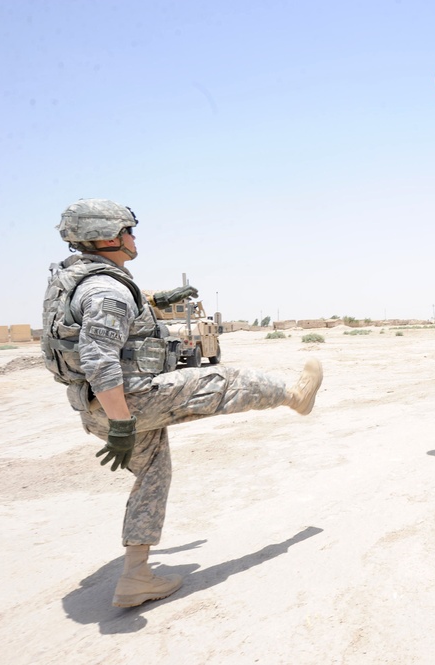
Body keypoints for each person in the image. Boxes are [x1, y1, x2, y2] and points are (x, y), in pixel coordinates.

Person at [41, 199, 324, 608]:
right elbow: (99, 359)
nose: (133, 238)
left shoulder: (76, 279)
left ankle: (135, 576)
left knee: (153, 474)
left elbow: (116, 308)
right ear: (106, 237)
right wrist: (122, 424)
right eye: (127, 231)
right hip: (129, 401)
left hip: (93, 407)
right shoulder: (106, 290)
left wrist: (161, 297)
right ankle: (294, 396)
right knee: (228, 380)